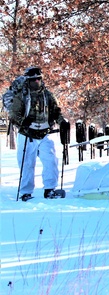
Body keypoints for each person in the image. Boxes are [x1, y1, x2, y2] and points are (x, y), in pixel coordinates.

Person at [8, 66, 63, 201]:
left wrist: (63, 122)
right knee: (27, 164)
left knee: (51, 161)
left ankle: (50, 189)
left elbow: (56, 111)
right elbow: (14, 114)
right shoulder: (22, 95)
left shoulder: (47, 95)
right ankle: (26, 192)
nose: (37, 81)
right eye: (34, 79)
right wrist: (23, 122)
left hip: (45, 133)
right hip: (27, 134)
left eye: (39, 78)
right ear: (28, 80)